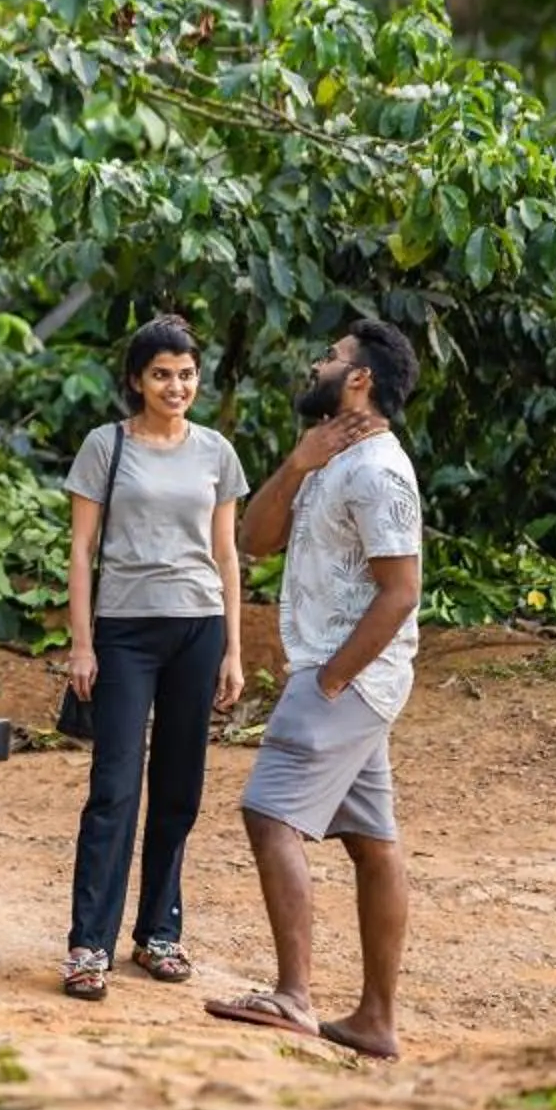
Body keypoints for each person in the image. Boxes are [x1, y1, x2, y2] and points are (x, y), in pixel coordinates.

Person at [206, 319, 425, 1060]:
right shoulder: (332, 457)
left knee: (269, 815)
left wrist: (332, 679)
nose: (318, 364)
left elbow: (401, 592)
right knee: (372, 843)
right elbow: (254, 540)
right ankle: (375, 1021)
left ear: (359, 378)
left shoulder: (380, 471)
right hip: (343, 677)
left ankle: (295, 996)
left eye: (332, 358)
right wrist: (296, 465)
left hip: (345, 676)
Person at [57, 317, 250, 1002]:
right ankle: (88, 946)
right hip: (124, 633)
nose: (177, 386)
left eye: (188, 373)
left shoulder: (218, 452)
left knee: (179, 789)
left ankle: (158, 932)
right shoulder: (106, 447)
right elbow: (81, 549)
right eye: (163, 374)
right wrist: (81, 641)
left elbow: (226, 554)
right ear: (137, 380)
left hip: (197, 629)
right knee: (114, 788)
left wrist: (234, 648)